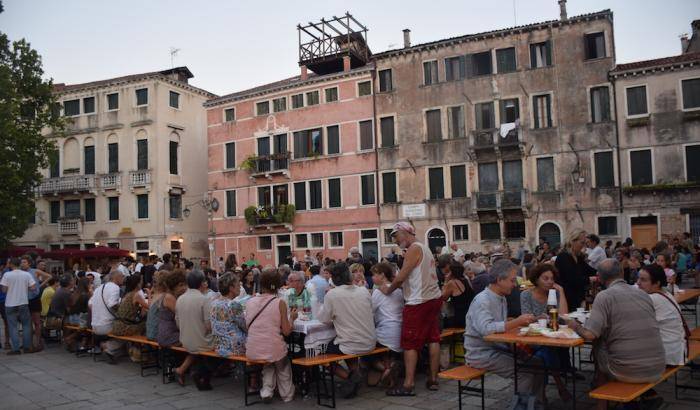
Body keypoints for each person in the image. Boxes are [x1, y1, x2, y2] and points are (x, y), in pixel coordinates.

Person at [567, 259, 665, 410]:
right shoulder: (643, 294)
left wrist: (575, 325)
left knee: (599, 346)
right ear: (621, 272)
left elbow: (590, 335)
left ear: (600, 278)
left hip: (628, 371)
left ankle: (603, 402)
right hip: (658, 365)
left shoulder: (604, 296)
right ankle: (636, 398)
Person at [464, 259, 543, 401]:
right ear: (500, 280)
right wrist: (516, 322)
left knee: (538, 363)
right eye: (512, 280)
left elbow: (500, 327)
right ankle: (520, 406)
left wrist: (531, 320)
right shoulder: (482, 300)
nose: (515, 285)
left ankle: (535, 403)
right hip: (480, 353)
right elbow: (486, 330)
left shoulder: (501, 298)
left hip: (497, 348)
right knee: (524, 373)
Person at [381, 222, 442, 396]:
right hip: (433, 298)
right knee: (433, 339)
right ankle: (433, 380)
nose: (395, 240)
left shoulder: (414, 249)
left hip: (418, 302)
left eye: (396, 236)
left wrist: (388, 289)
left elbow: (401, 277)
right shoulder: (425, 248)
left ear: (405, 232)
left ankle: (408, 384)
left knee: (410, 343)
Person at [318, 262, 376, 397]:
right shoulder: (363, 291)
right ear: (349, 276)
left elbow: (324, 319)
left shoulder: (332, 295)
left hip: (351, 343)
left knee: (321, 352)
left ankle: (350, 377)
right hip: (370, 341)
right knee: (347, 341)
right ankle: (354, 375)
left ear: (333, 278)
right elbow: (370, 311)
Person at [520, 263, 571, 401]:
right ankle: (559, 385)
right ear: (536, 279)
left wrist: (561, 291)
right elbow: (525, 319)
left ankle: (541, 394)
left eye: (552, 279)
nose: (550, 282)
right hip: (533, 337)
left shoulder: (554, 293)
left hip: (551, 336)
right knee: (545, 352)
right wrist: (538, 318)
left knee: (544, 353)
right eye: (545, 278)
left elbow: (564, 317)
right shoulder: (526, 295)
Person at [246, 267, 297, 403]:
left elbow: (247, 326)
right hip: (272, 349)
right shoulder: (279, 303)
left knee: (269, 363)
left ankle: (267, 390)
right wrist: (292, 318)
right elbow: (286, 331)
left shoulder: (250, 301)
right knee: (282, 364)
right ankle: (287, 394)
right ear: (277, 285)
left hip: (252, 349)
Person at [636, 264, 687, 365]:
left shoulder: (651, 299)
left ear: (656, 283)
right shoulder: (666, 293)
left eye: (643, 280)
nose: (638, 283)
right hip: (678, 349)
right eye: (638, 278)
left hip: (667, 354)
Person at [176, 270, 217, 390]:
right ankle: (202, 373)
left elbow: (178, 322)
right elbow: (209, 326)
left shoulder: (180, 299)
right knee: (224, 344)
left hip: (185, 340)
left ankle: (197, 370)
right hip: (202, 342)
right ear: (201, 283)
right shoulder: (204, 300)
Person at [370, 262, 404, 388]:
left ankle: (386, 369)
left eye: (374, 274)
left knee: (364, 349)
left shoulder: (378, 292)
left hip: (385, 334)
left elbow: (370, 312)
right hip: (400, 333)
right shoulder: (398, 291)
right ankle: (391, 367)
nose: (372, 277)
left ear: (382, 275)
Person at [0, 257, 37, 354]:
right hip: (23, 303)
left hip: (10, 304)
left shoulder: (7, 275)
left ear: (11, 264)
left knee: (12, 326)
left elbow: (3, 290)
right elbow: (33, 288)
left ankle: (16, 349)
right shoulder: (27, 274)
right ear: (20, 264)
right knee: (26, 325)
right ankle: (27, 347)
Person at [555, 228, 597, 310]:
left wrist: (602, 272)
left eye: (585, 243)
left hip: (578, 297)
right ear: (572, 241)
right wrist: (590, 279)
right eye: (582, 243)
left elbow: (590, 270)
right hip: (566, 299)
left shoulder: (578, 257)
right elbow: (572, 279)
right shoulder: (563, 257)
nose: (584, 246)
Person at [89, 271, 124, 362]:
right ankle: (108, 347)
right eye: (122, 277)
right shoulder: (115, 288)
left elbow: (90, 304)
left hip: (95, 325)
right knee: (127, 332)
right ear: (116, 278)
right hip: (106, 326)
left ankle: (107, 346)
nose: (123, 279)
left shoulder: (98, 288)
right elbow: (112, 304)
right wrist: (122, 308)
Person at [210, 273, 247, 357]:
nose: (240, 287)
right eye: (238, 285)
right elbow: (245, 326)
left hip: (219, 346)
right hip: (234, 347)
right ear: (231, 288)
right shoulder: (233, 305)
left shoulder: (214, 303)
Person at [441, 261, 474, 328]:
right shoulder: (465, 280)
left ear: (451, 272)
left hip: (459, 317)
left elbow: (443, 297)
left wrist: (445, 282)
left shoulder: (452, 283)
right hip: (470, 314)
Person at [146, 271, 168, 341]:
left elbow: (149, 307)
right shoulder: (165, 296)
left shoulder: (156, 294)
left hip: (149, 333)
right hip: (157, 334)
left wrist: (149, 294)